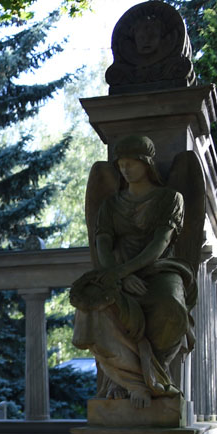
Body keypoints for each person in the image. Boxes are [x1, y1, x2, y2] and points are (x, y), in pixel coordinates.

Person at [70, 135, 197, 408]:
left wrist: (124, 272)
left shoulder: (169, 198)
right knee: (93, 307)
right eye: (121, 164)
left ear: (147, 163)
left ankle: (156, 376)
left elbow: (160, 244)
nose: (125, 169)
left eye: (132, 163)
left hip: (160, 268)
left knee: (171, 309)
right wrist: (117, 275)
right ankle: (127, 380)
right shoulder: (111, 204)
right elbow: (101, 242)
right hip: (117, 271)